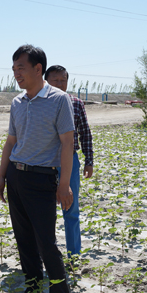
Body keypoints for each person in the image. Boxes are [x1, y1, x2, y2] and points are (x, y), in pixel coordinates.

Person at [0, 44, 73, 293]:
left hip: (42, 178)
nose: (17, 73)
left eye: (21, 68)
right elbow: (10, 142)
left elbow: (67, 143)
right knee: (24, 239)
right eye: (14, 69)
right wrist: (2, 176)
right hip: (17, 175)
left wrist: (63, 185)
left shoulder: (59, 99)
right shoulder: (17, 102)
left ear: (38, 69)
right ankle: (32, 292)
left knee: (46, 242)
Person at [45, 65, 93, 257]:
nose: (59, 83)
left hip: (70, 162)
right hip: (44, 162)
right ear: (46, 81)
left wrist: (89, 160)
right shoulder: (40, 102)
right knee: (45, 213)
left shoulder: (76, 103)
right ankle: (48, 255)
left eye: (63, 80)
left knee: (71, 210)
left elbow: (85, 133)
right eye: (55, 80)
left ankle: (74, 255)